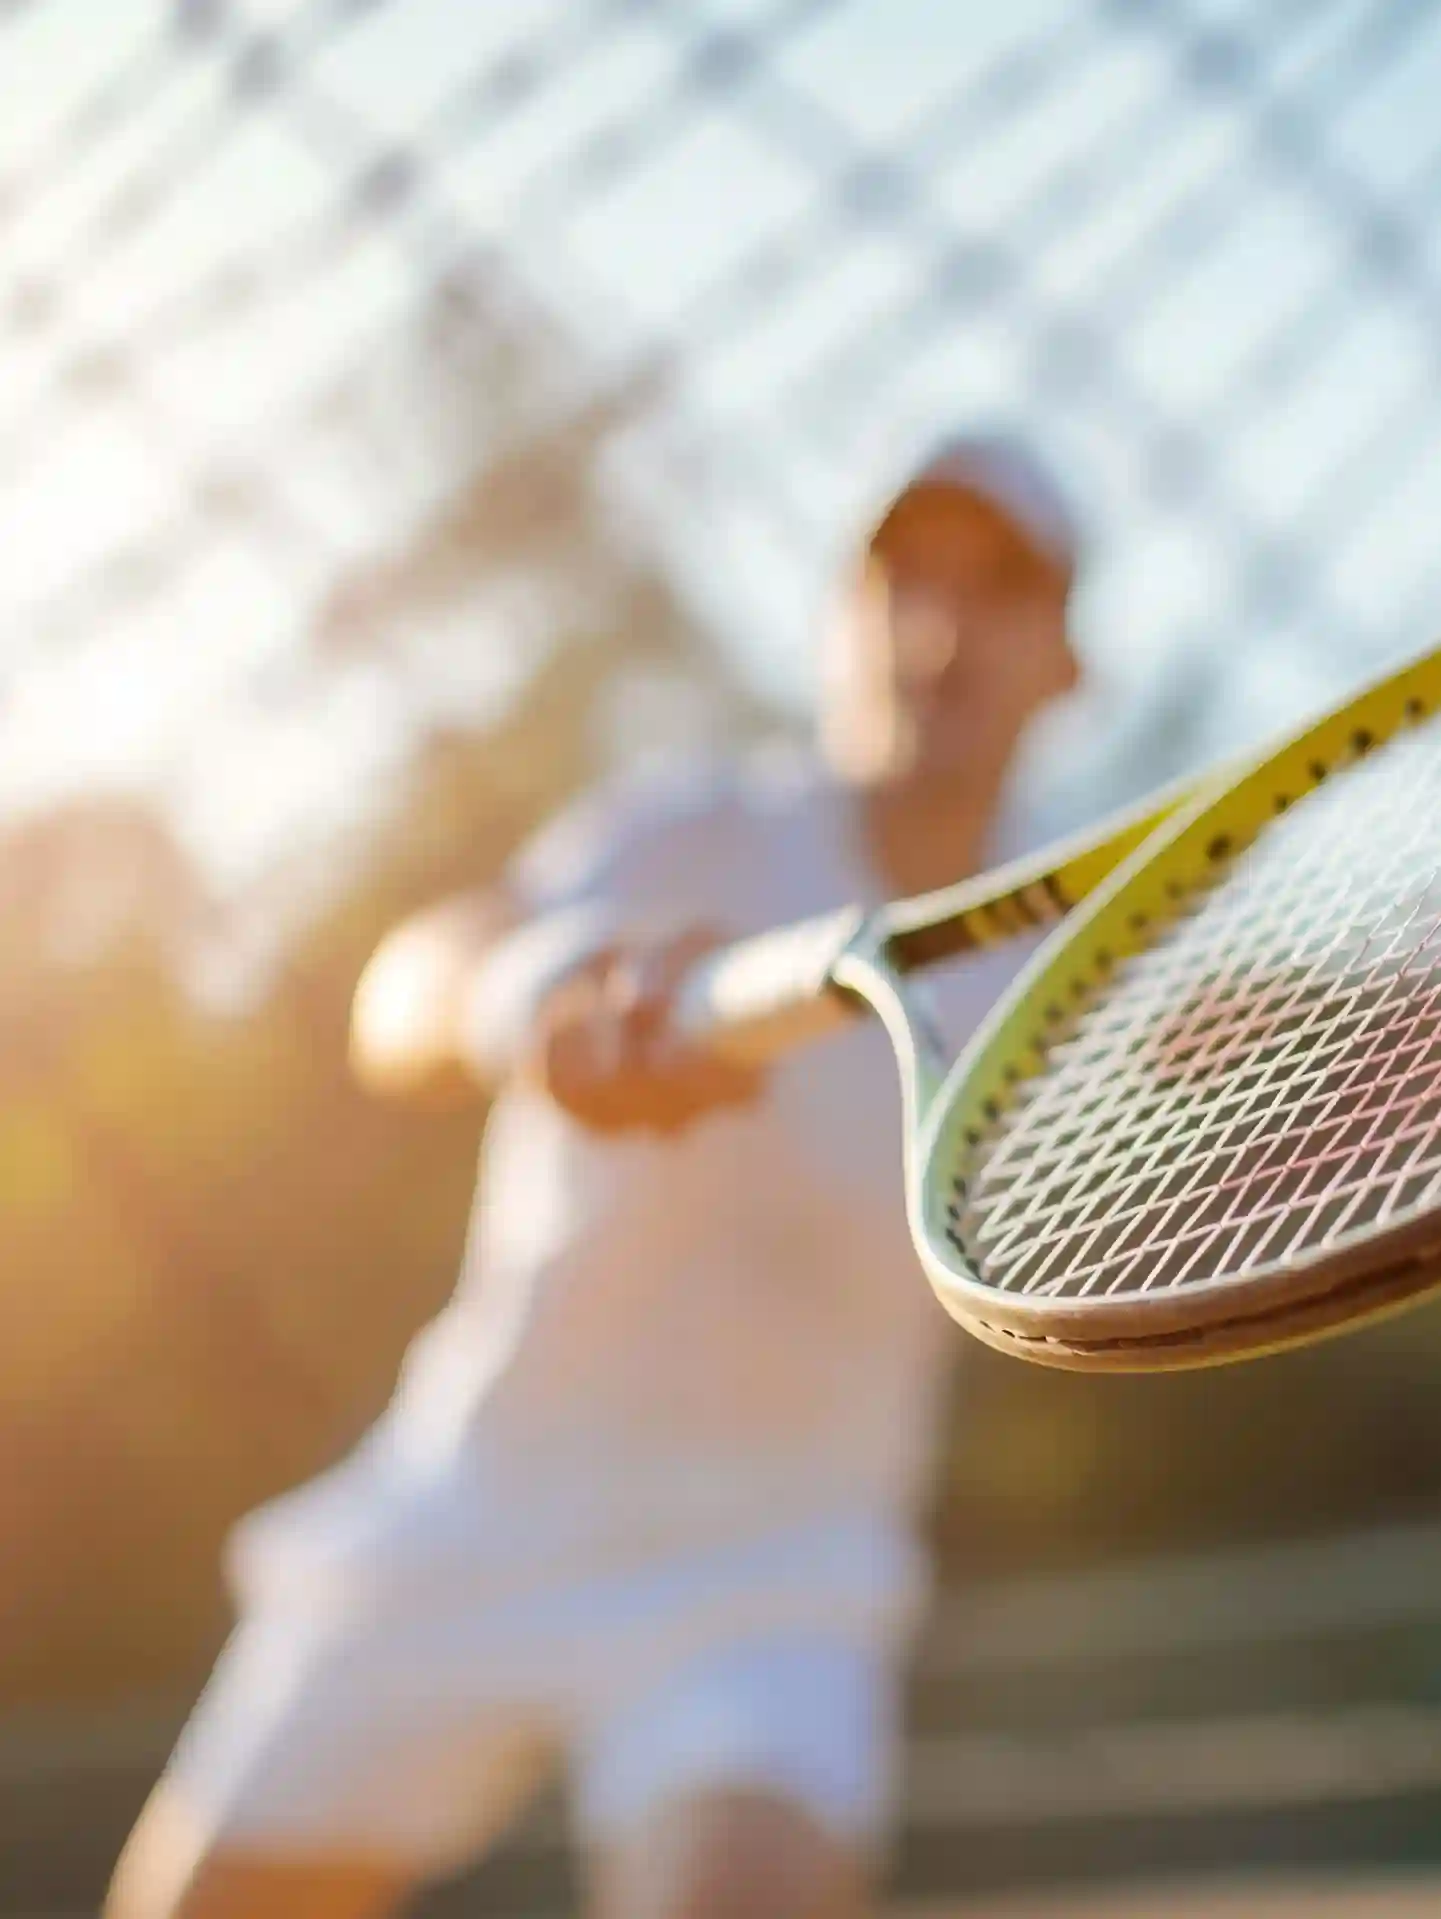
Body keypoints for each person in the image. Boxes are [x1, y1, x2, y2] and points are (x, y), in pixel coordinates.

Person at [106, 433, 1087, 1919]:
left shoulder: (1077, 951)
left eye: (997, 592)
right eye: (902, 581)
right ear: (839, 627)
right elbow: (403, 989)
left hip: (775, 1567)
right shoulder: (689, 830)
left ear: (1064, 661)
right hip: (474, 1498)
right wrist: (535, 998)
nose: (940, 631)